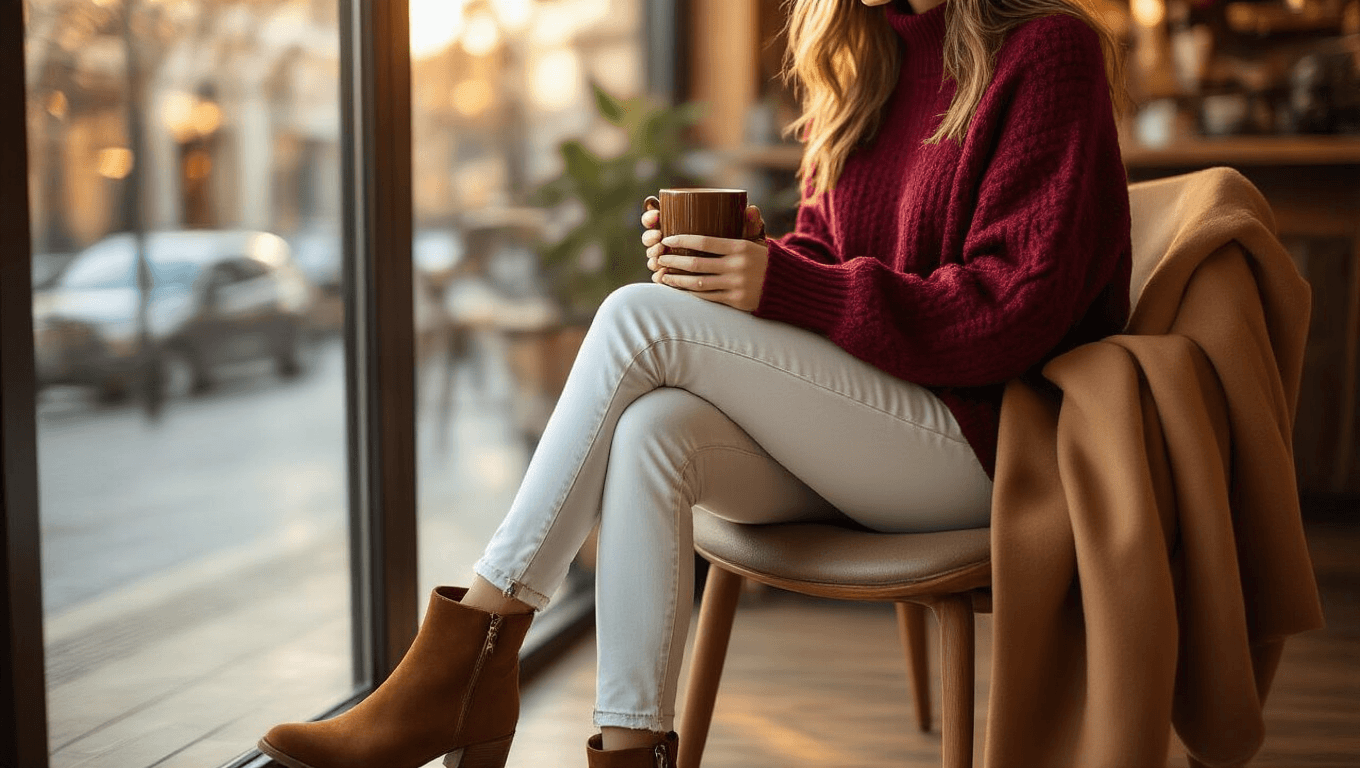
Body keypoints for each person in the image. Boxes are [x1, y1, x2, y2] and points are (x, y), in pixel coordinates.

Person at [258, 0, 1132, 764]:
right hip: (876, 436)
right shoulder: (871, 57)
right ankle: (630, 750)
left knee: (637, 319)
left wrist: (781, 284)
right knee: (655, 432)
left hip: (987, 446)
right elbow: (831, 258)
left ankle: (464, 664)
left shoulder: (1049, 51)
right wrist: (752, 262)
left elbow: (1011, 313)